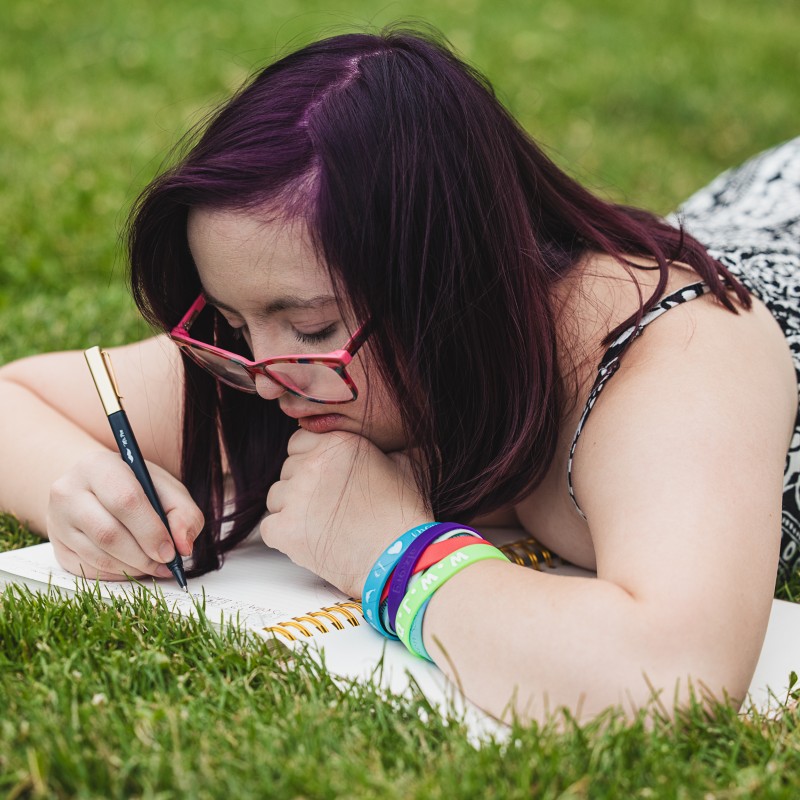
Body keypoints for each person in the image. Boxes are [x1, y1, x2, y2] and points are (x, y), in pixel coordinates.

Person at [0, 26, 798, 725]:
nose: (267, 379)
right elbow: (13, 399)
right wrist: (75, 490)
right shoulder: (280, 367)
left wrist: (395, 554)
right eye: (236, 325)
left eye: (309, 326)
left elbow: (672, 679)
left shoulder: (670, 354)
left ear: (452, 284)